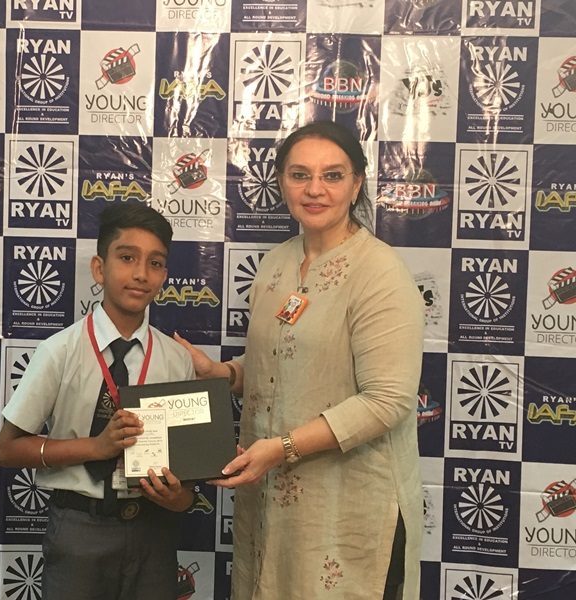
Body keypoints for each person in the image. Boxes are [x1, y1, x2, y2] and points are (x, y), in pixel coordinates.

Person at [175, 121, 425, 599]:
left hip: (347, 505)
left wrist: (282, 447)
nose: (314, 189)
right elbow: (280, 369)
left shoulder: (380, 272)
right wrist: (223, 374)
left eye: (332, 176)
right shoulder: (275, 265)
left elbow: (388, 400)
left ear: (356, 184)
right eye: (299, 175)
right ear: (281, 182)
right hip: (271, 501)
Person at [0, 203, 196, 600]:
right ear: (99, 268)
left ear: (164, 276)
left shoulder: (177, 360)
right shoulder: (60, 351)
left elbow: (187, 473)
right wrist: (96, 447)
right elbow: (8, 450)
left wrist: (180, 498)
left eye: (155, 263)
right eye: (127, 258)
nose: (141, 274)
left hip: (153, 530)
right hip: (79, 530)